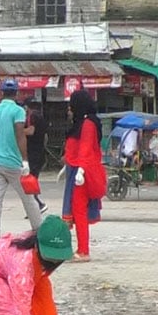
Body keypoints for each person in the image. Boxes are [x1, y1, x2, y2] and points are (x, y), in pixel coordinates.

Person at [0, 79, 42, 238]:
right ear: (16, 93)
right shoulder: (18, 111)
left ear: (2, 92)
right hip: (13, 161)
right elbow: (20, 136)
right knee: (28, 198)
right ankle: (38, 229)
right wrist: (25, 161)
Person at [61, 90, 106, 263]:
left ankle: (83, 250)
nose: (69, 109)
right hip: (77, 169)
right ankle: (81, 249)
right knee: (77, 210)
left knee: (79, 211)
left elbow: (86, 148)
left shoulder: (87, 124)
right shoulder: (82, 123)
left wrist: (80, 171)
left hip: (83, 172)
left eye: (71, 105)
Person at [23, 99, 50, 214]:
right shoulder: (42, 117)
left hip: (32, 153)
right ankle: (34, 206)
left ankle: (37, 205)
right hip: (39, 152)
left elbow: (30, 131)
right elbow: (45, 137)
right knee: (32, 180)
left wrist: (17, 131)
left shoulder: (32, 116)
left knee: (28, 181)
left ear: (27, 107)